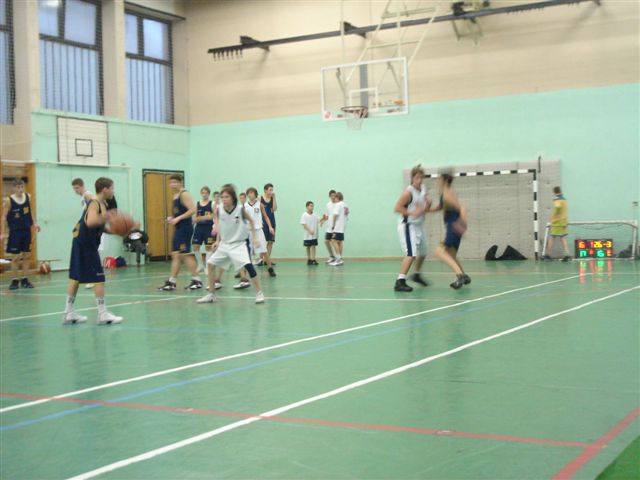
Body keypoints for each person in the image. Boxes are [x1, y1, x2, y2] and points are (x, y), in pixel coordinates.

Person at [63, 177, 127, 325]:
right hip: (85, 244)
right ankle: (102, 314)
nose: (113, 191)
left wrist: (116, 231)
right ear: (105, 189)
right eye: (112, 188)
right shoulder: (95, 203)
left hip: (82, 242)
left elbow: (100, 227)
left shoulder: (101, 204)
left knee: (75, 278)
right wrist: (107, 216)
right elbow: (91, 222)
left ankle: (68, 313)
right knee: (99, 278)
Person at [197, 184, 265, 304]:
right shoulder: (219, 210)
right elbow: (219, 226)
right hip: (225, 244)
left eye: (226, 197)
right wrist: (217, 241)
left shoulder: (240, 209)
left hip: (239, 244)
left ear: (233, 198)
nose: (224, 199)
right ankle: (211, 295)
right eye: (222, 197)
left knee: (249, 267)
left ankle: (259, 293)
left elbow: (251, 221)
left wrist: (255, 238)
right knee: (210, 264)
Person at [158, 174, 203, 291]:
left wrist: (178, 218)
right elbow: (179, 212)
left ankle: (197, 280)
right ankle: (172, 282)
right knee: (176, 255)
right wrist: (172, 218)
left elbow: (193, 209)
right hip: (179, 228)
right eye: (171, 182)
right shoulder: (175, 195)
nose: (172, 185)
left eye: (175, 182)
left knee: (185, 254)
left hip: (185, 228)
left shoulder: (184, 194)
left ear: (180, 183)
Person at [393, 165, 431, 292]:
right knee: (411, 254)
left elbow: (425, 210)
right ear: (412, 178)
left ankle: (416, 275)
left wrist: (429, 204)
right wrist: (412, 212)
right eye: (417, 177)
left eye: (421, 177)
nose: (419, 180)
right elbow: (397, 208)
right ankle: (400, 281)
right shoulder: (408, 192)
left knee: (424, 251)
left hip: (419, 225)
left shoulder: (423, 189)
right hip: (408, 225)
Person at [1, 179, 40, 289]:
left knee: (26, 256)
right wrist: (2, 233)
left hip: (26, 231)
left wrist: (35, 223)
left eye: (22, 187)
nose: (20, 189)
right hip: (15, 232)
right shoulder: (9, 200)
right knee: (15, 258)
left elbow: (30, 211)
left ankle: (25, 279)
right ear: (14, 188)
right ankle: (14, 280)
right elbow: (3, 217)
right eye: (18, 187)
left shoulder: (28, 197)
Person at [435, 171, 471, 289]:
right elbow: (441, 208)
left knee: (439, 252)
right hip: (452, 226)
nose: (437, 182)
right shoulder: (445, 194)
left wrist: (462, 223)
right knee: (452, 255)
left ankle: (460, 275)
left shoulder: (447, 195)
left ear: (445, 181)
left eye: (439, 180)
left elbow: (462, 208)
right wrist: (425, 210)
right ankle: (463, 276)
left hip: (453, 227)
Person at [236, 187, 275, 288]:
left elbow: (265, 217)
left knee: (264, 251)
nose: (250, 194)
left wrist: (270, 226)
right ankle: (243, 272)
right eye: (249, 193)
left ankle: (270, 268)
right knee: (246, 252)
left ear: (255, 194)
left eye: (252, 193)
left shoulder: (260, 204)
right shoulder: (244, 206)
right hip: (248, 231)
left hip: (258, 230)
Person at [544, 186, 570, 262]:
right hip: (563, 221)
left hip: (557, 222)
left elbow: (558, 207)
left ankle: (548, 255)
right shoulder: (564, 200)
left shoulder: (557, 200)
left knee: (552, 237)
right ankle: (567, 254)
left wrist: (553, 218)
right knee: (563, 237)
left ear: (554, 192)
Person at [192, 186, 215, 273]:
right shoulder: (197, 204)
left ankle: (207, 267)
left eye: (206, 193)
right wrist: (194, 220)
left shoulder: (212, 204)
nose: (204, 194)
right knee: (195, 246)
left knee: (208, 247)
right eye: (203, 193)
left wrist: (202, 217)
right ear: (201, 194)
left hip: (208, 227)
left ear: (208, 194)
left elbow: (213, 216)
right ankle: (200, 265)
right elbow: (195, 217)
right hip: (199, 228)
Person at [259, 183, 277, 265]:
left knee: (270, 241)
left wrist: (274, 198)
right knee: (262, 241)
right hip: (263, 222)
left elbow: (274, 209)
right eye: (270, 190)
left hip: (272, 221)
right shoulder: (260, 198)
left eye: (272, 190)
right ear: (265, 190)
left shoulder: (272, 198)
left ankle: (267, 260)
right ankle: (260, 260)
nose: (271, 191)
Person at [328, 192, 347, 266]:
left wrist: (333, 225)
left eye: (335, 197)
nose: (334, 199)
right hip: (343, 226)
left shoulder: (338, 204)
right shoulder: (345, 205)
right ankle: (340, 259)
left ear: (338, 198)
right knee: (339, 242)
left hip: (338, 226)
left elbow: (335, 215)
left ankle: (338, 258)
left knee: (333, 240)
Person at [319, 190, 337, 263]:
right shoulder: (328, 204)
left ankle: (338, 258)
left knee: (335, 242)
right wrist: (322, 220)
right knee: (326, 241)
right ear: (329, 196)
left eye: (334, 195)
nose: (333, 197)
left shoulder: (338, 204)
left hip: (336, 227)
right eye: (332, 196)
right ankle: (332, 256)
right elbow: (327, 215)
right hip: (329, 227)